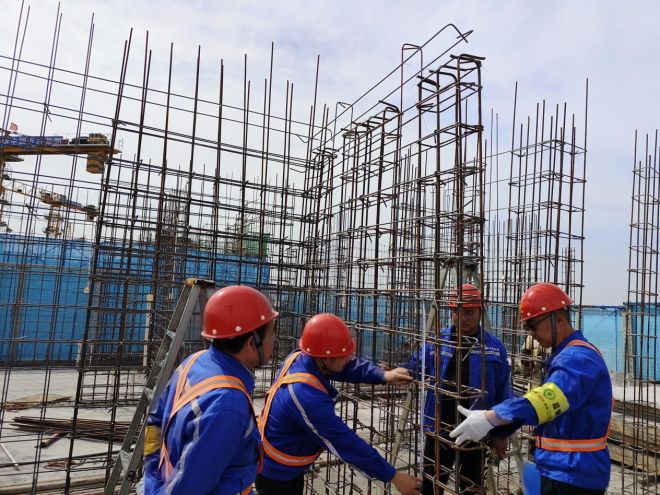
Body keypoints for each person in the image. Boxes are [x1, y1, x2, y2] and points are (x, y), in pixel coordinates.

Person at [449, 282, 613, 495]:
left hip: (573, 473)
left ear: (558, 319)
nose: (531, 334)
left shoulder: (577, 357)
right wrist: (502, 427)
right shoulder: (563, 354)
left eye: (533, 326)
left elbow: (548, 400)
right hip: (563, 468)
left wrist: (492, 417)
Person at [255, 313, 422, 495]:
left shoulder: (304, 357)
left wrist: (384, 375)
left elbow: (345, 367)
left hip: (286, 464)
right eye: (344, 355)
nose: (349, 358)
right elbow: (345, 442)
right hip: (276, 476)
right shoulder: (304, 395)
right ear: (326, 358)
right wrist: (393, 476)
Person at [143, 285, 278, 495]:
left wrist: (152, 479)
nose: (274, 341)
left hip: (162, 480)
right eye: (272, 334)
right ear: (253, 343)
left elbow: (154, 422)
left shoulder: (195, 361)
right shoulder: (227, 404)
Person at [406, 283, 511, 495]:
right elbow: (415, 367)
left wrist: (501, 433)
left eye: (469, 312)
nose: (462, 318)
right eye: (457, 311)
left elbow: (503, 393)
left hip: (476, 428)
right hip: (439, 426)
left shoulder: (494, 347)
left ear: (480, 311)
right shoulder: (438, 340)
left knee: (471, 487)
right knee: (430, 485)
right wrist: (393, 372)